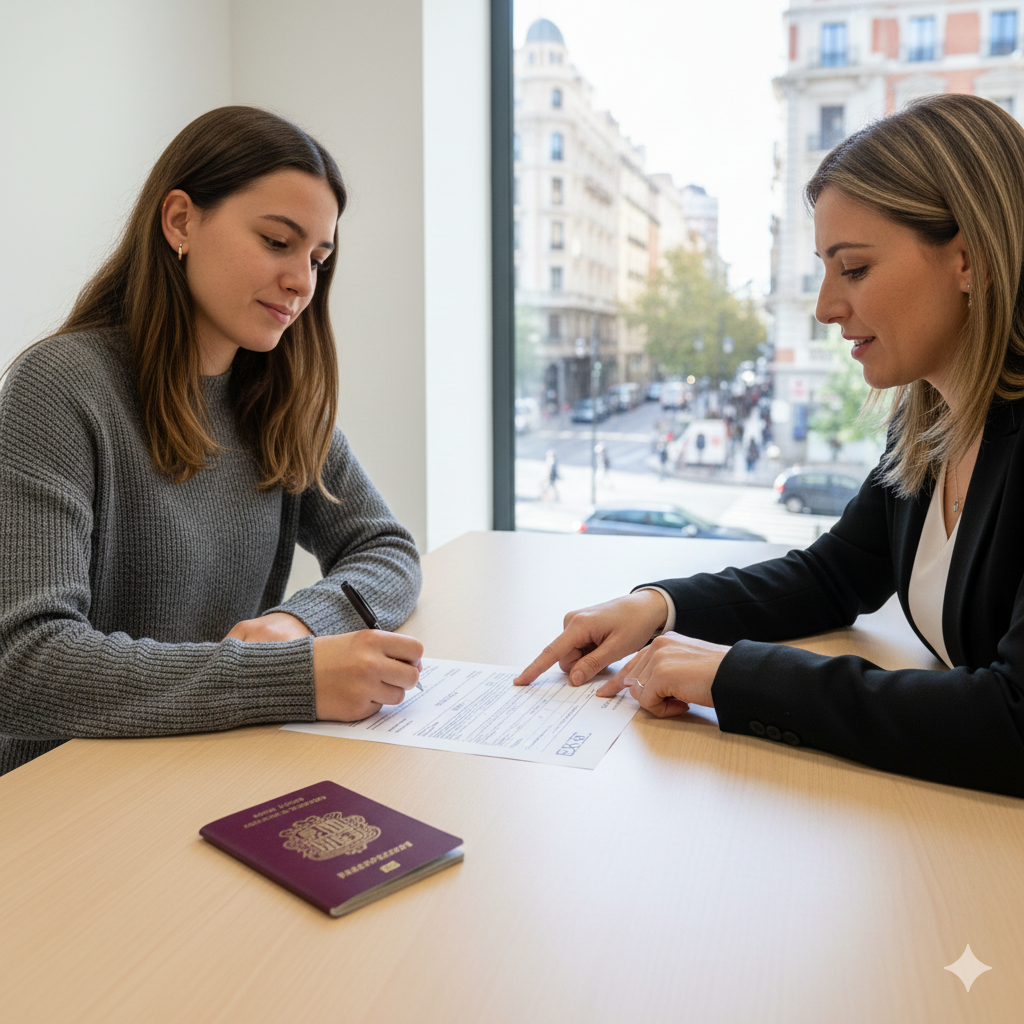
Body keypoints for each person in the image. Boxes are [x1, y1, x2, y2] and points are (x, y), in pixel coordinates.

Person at [515, 94, 1024, 798]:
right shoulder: (930, 419)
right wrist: (659, 608)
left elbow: (1013, 721)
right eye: (824, 270)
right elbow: (834, 576)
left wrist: (736, 676)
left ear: (969, 259)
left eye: (854, 269)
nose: (825, 307)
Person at [0, 107, 423, 775]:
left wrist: (300, 624)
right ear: (180, 222)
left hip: (210, 762)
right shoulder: (60, 387)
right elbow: (24, 666)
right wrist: (289, 675)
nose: (302, 281)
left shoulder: (278, 402)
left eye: (318, 259)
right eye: (277, 242)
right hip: (70, 789)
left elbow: (387, 549)